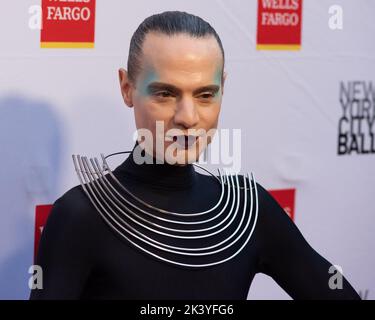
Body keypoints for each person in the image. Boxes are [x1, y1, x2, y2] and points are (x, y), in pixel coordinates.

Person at [30, 11, 360, 300]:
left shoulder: (247, 209)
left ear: (223, 89)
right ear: (127, 88)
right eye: (165, 93)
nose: (187, 116)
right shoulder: (81, 215)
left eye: (205, 95)